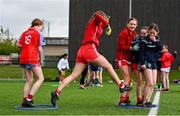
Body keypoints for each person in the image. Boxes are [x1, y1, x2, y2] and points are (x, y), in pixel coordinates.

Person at [50, 10, 132, 106]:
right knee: (109, 66)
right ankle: (121, 85)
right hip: (89, 48)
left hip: (82, 50)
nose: (105, 18)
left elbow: (102, 27)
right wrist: (107, 24)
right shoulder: (95, 20)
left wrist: (107, 24)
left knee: (73, 75)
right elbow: (98, 15)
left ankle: (57, 91)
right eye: (104, 17)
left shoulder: (96, 25)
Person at [18, 18, 45, 107]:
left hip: (23, 58)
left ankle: (24, 100)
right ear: (37, 25)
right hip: (32, 58)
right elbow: (39, 49)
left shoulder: (24, 33)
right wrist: (41, 59)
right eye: (41, 27)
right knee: (41, 78)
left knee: (29, 80)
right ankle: (29, 98)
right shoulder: (38, 33)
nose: (41, 29)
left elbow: (19, 45)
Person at [140, 23, 163, 107]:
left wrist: (155, 41)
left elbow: (160, 48)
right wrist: (142, 63)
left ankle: (148, 100)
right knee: (149, 82)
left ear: (157, 32)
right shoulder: (145, 41)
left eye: (154, 33)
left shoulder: (157, 40)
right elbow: (141, 53)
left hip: (154, 63)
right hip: (146, 62)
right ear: (148, 32)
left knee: (153, 83)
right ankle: (144, 101)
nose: (152, 35)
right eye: (150, 33)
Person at [116, 17, 138, 105]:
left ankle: (126, 98)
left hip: (129, 59)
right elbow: (121, 46)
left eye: (134, 24)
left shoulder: (135, 34)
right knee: (127, 78)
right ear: (127, 24)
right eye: (131, 24)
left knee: (128, 80)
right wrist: (131, 48)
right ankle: (122, 99)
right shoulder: (123, 33)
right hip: (122, 58)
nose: (132, 26)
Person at [131, 26, 148, 106]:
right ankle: (139, 100)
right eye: (141, 33)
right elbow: (134, 47)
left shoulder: (148, 41)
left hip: (145, 63)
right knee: (139, 82)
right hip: (136, 62)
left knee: (148, 81)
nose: (142, 35)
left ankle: (145, 99)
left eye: (144, 33)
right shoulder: (137, 39)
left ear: (147, 33)